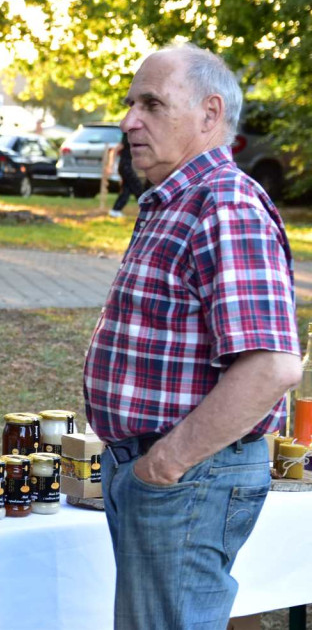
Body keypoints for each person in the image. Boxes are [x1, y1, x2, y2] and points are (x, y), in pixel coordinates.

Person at [83, 43, 301, 629]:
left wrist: (165, 465)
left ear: (209, 115)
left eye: (152, 104)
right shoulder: (178, 199)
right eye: (130, 104)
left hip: (187, 476)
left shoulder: (224, 203)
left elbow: (271, 368)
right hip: (167, 473)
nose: (130, 121)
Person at [108, 132, 144, 218]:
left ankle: (115, 210)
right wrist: (110, 166)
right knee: (137, 186)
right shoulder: (127, 137)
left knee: (126, 190)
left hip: (128, 166)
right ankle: (145, 209)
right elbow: (115, 150)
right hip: (125, 166)